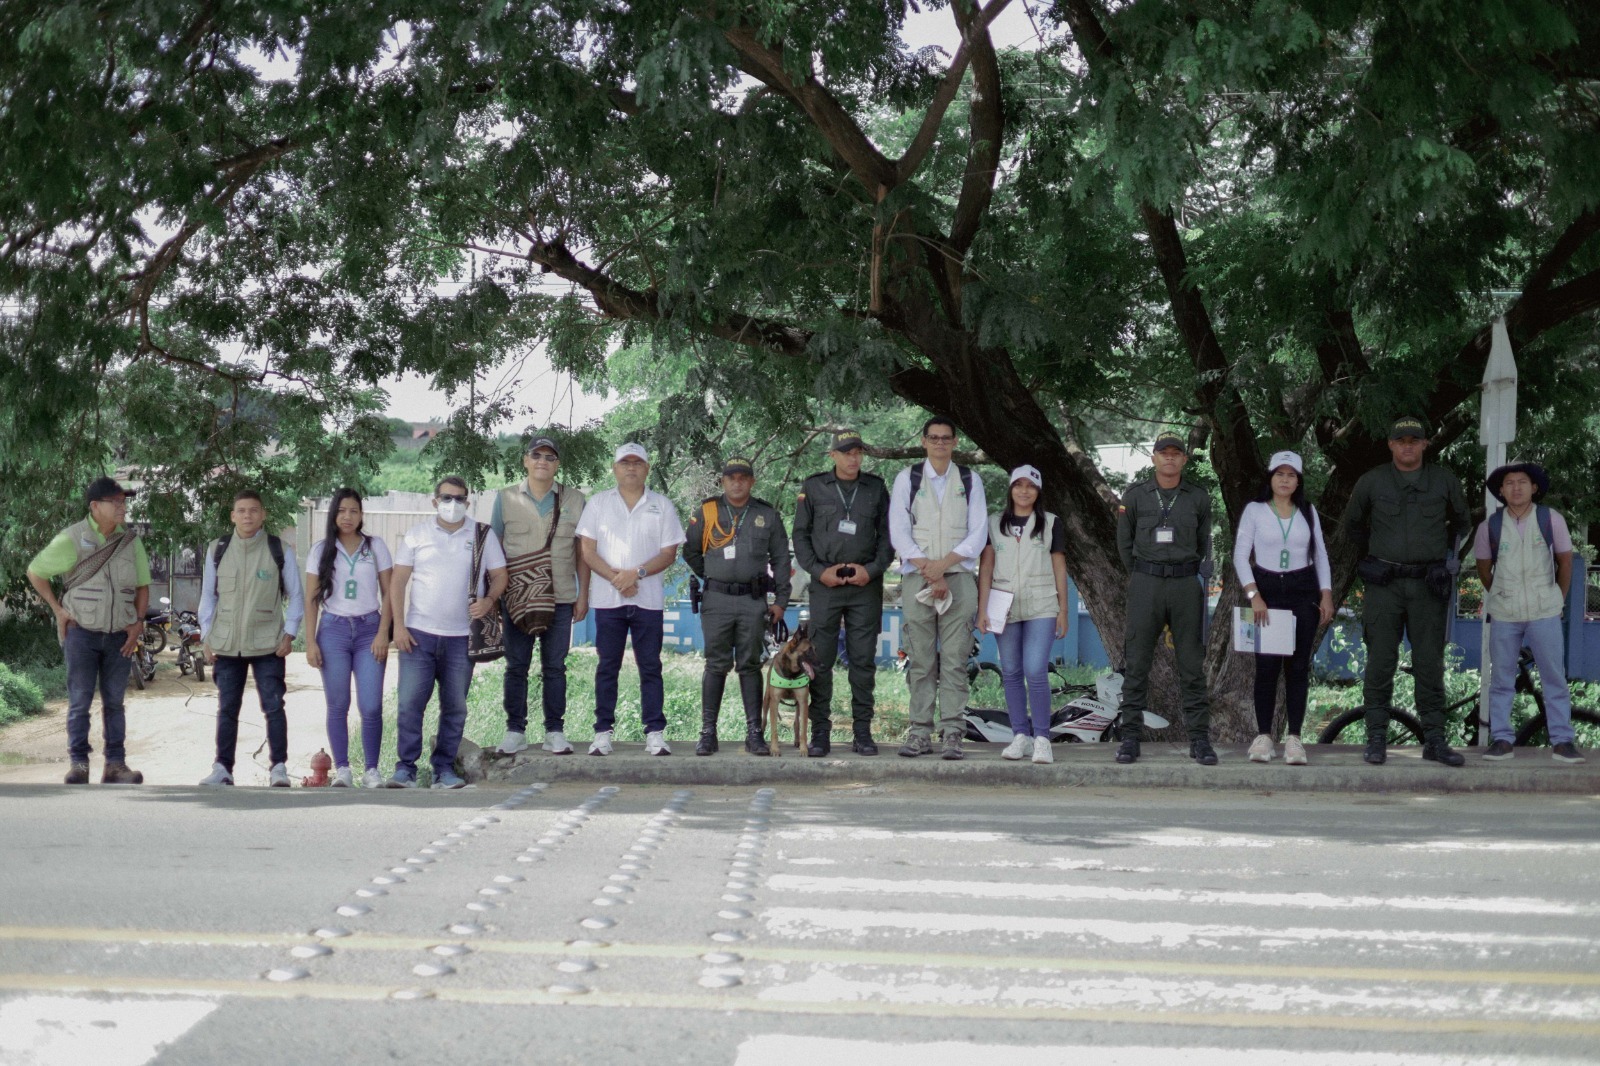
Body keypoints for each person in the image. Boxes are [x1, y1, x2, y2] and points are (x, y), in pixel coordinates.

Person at [1340, 416, 1471, 766]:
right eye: (1401, 440)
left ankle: (1435, 741)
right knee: (1380, 662)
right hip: (1385, 586)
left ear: (1425, 444)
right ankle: (1376, 740)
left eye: (1415, 439)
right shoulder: (1373, 481)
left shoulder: (1443, 480)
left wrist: (1449, 561)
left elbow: (1462, 524)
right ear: (1391, 445)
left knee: (1430, 663)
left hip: (1428, 586)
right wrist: (1374, 555)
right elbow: (1352, 525)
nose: (1408, 445)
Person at [26, 477, 151, 785]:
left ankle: (116, 766)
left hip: (120, 636)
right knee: (80, 700)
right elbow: (36, 572)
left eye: (124, 502)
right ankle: (79, 764)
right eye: (116, 502)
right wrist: (58, 610)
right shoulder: (72, 538)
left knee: (114, 702)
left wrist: (137, 624)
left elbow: (142, 585)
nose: (123, 508)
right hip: (81, 633)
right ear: (95, 507)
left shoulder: (131, 542)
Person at [388, 477, 507, 788]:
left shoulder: (482, 535)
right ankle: (406, 769)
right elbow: (398, 582)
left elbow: (500, 575)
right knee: (410, 703)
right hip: (418, 635)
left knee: (455, 706)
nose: (452, 504)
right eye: (446, 497)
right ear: (434, 501)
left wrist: (489, 600)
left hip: (461, 637)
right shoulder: (416, 535)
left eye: (459, 498)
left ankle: (444, 769)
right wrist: (398, 627)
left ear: (468, 503)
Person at [576, 443, 686, 756]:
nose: (631, 468)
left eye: (638, 463)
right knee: (607, 666)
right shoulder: (598, 503)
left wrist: (634, 574)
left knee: (650, 666)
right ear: (615, 468)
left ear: (647, 469)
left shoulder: (661, 505)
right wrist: (617, 579)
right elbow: (587, 551)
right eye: (625, 463)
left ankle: (654, 731)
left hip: (647, 600)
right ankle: (602, 732)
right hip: (608, 601)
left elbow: (668, 553)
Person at [1114, 430, 1215, 765]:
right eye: (1163, 452)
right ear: (1154, 458)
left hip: (1186, 585)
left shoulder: (1198, 498)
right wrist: (1144, 573)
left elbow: (1203, 544)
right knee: (1137, 663)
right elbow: (1124, 544)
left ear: (1185, 459)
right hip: (1147, 583)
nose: (1169, 457)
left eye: (1176, 453)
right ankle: (1129, 738)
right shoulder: (1136, 496)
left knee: (1191, 666)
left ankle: (1199, 740)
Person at [890, 417, 989, 760]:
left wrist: (943, 567)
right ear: (924, 441)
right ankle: (919, 732)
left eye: (946, 438)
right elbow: (899, 530)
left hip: (959, 578)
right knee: (920, 659)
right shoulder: (908, 478)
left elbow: (978, 533)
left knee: (955, 660)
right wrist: (929, 571)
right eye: (934, 438)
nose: (940, 443)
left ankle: (952, 732)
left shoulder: (970, 480)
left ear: (955, 442)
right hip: (918, 575)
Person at [1474, 460, 1584, 763]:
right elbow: (1484, 569)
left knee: (1553, 677)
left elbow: (1566, 562)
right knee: (1502, 679)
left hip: (1544, 612)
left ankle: (1562, 741)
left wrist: (1555, 599)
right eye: (1509, 483)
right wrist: (1501, 593)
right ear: (1501, 490)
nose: (1516, 487)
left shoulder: (1551, 519)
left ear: (1534, 488)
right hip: (1505, 615)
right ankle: (1501, 740)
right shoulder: (1490, 526)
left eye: (1522, 482)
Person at [792, 430, 893, 756]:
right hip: (826, 585)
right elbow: (800, 536)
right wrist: (820, 572)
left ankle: (862, 732)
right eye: (846, 452)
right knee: (819, 660)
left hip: (865, 585)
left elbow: (889, 537)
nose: (854, 458)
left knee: (862, 662)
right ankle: (820, 732)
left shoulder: (875, 487)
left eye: (858, 452)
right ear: (832, 455)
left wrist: (873, 570)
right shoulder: (814, 487)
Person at [683, 456, 792, 756]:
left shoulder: (766, 514)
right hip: (716, 600)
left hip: (752, 601)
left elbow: (782, 559)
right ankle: (708, 733)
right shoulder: (707, 511)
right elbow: (690, 550)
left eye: (743, 477)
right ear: (723, 481)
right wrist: (712, 574)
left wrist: (781, 600)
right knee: (715, 664)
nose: (737, 481)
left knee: (750, 665)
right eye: (731, 477)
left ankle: (753, 734)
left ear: (752, 481)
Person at [1232, 451, 1334, 766]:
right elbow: (1239, 556)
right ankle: (1264, 737)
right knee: (1266, 668)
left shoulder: (1308, 510)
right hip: (1266, 591)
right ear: (1271, 477)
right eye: (1280, 474)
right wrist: (1254, 595)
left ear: (1298, 480)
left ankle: (1294, 739)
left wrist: (1326, 594)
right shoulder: (1255, 510)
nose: (1285, 480)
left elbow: (1320, 555)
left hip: (1302, 590)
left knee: (1298, 667)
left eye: (1291, 475)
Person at [199, 490, 306, 787]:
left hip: (268, 642)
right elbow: (208, 597)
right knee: (227, 707)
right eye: (241, 510)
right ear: (233, 516)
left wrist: (290, 633)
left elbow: (296, 595)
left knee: (273, 705)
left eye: (253, 510)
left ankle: (279, 768)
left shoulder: (278, 549)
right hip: (226, 642)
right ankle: (222, 768)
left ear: (263, 515)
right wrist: (207, 636)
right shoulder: (217, 549)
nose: (247, 516)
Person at [491, 435, 589, 757]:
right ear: (526, 460)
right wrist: (492, 598)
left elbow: (582, 551)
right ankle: (515, 731)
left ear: (557, 464)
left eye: (550, 457)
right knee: (516, 666)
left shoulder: (575, 500)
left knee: (555, 667)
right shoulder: (504, 499)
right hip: (516, 599)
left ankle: (554, 732)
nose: (542, 461)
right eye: (537, 455)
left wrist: (582, 594)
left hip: (560, 597)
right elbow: (492, 551)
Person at [977, 465, 1069, 765]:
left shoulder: (1051, 523)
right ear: (1010, 489)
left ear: (1038, 491)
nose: (1024, 491)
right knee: (1012, 670)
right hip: (1004, 605)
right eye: (1018, 485)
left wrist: (1063, 610)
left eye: (1031, 485)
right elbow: (987, 568)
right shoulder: (993, 523)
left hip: (1042, 604)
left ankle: (1042, 738)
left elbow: (1059, 567)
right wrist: (983, 609)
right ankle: (1020, 735)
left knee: (1035, 669)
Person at [304, 488, 393, 788]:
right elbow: (311, 599)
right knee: (337, 704)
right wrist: (311, 641)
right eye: (342, 511)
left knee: (370, 705)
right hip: (333, 630)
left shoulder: (375, 546)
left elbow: (389, 593)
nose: (347, 517)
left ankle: (371, 770)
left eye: (353, 511)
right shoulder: (320, 550)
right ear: (333, 514)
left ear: (361, 515)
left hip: (370, 628)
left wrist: (384, 632)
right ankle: (342, 769)